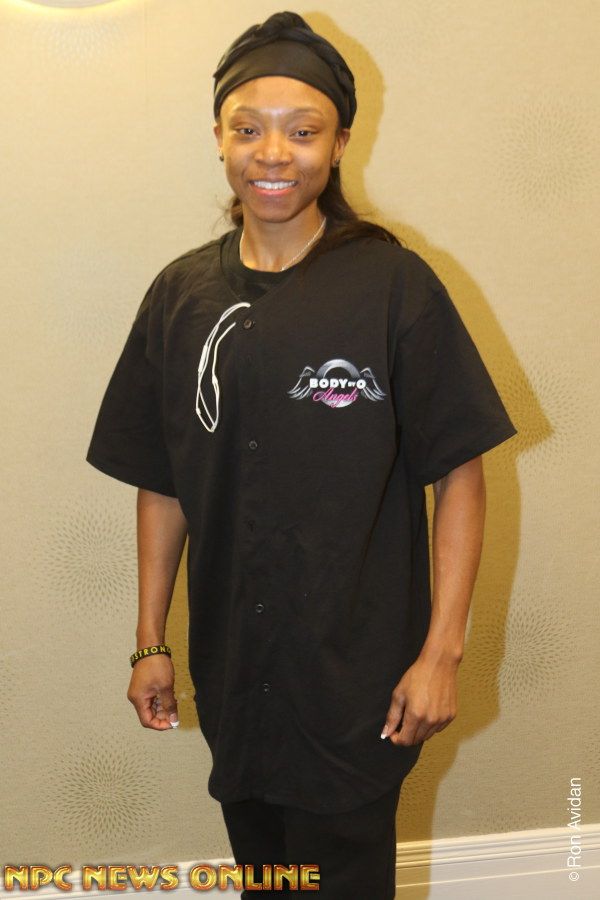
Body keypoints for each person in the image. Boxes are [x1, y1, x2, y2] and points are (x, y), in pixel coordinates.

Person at [85, 10, 517, 899]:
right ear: (218, 138)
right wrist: (148, 642)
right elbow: (162, 482)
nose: (273, 153)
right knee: (270, 881)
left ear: (340, 143)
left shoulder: (394, 287)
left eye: (303, 131)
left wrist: (442, 654)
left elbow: (459, 472)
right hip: (237, 674)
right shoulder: (180, 296)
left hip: (360, 680)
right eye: (248, 129)